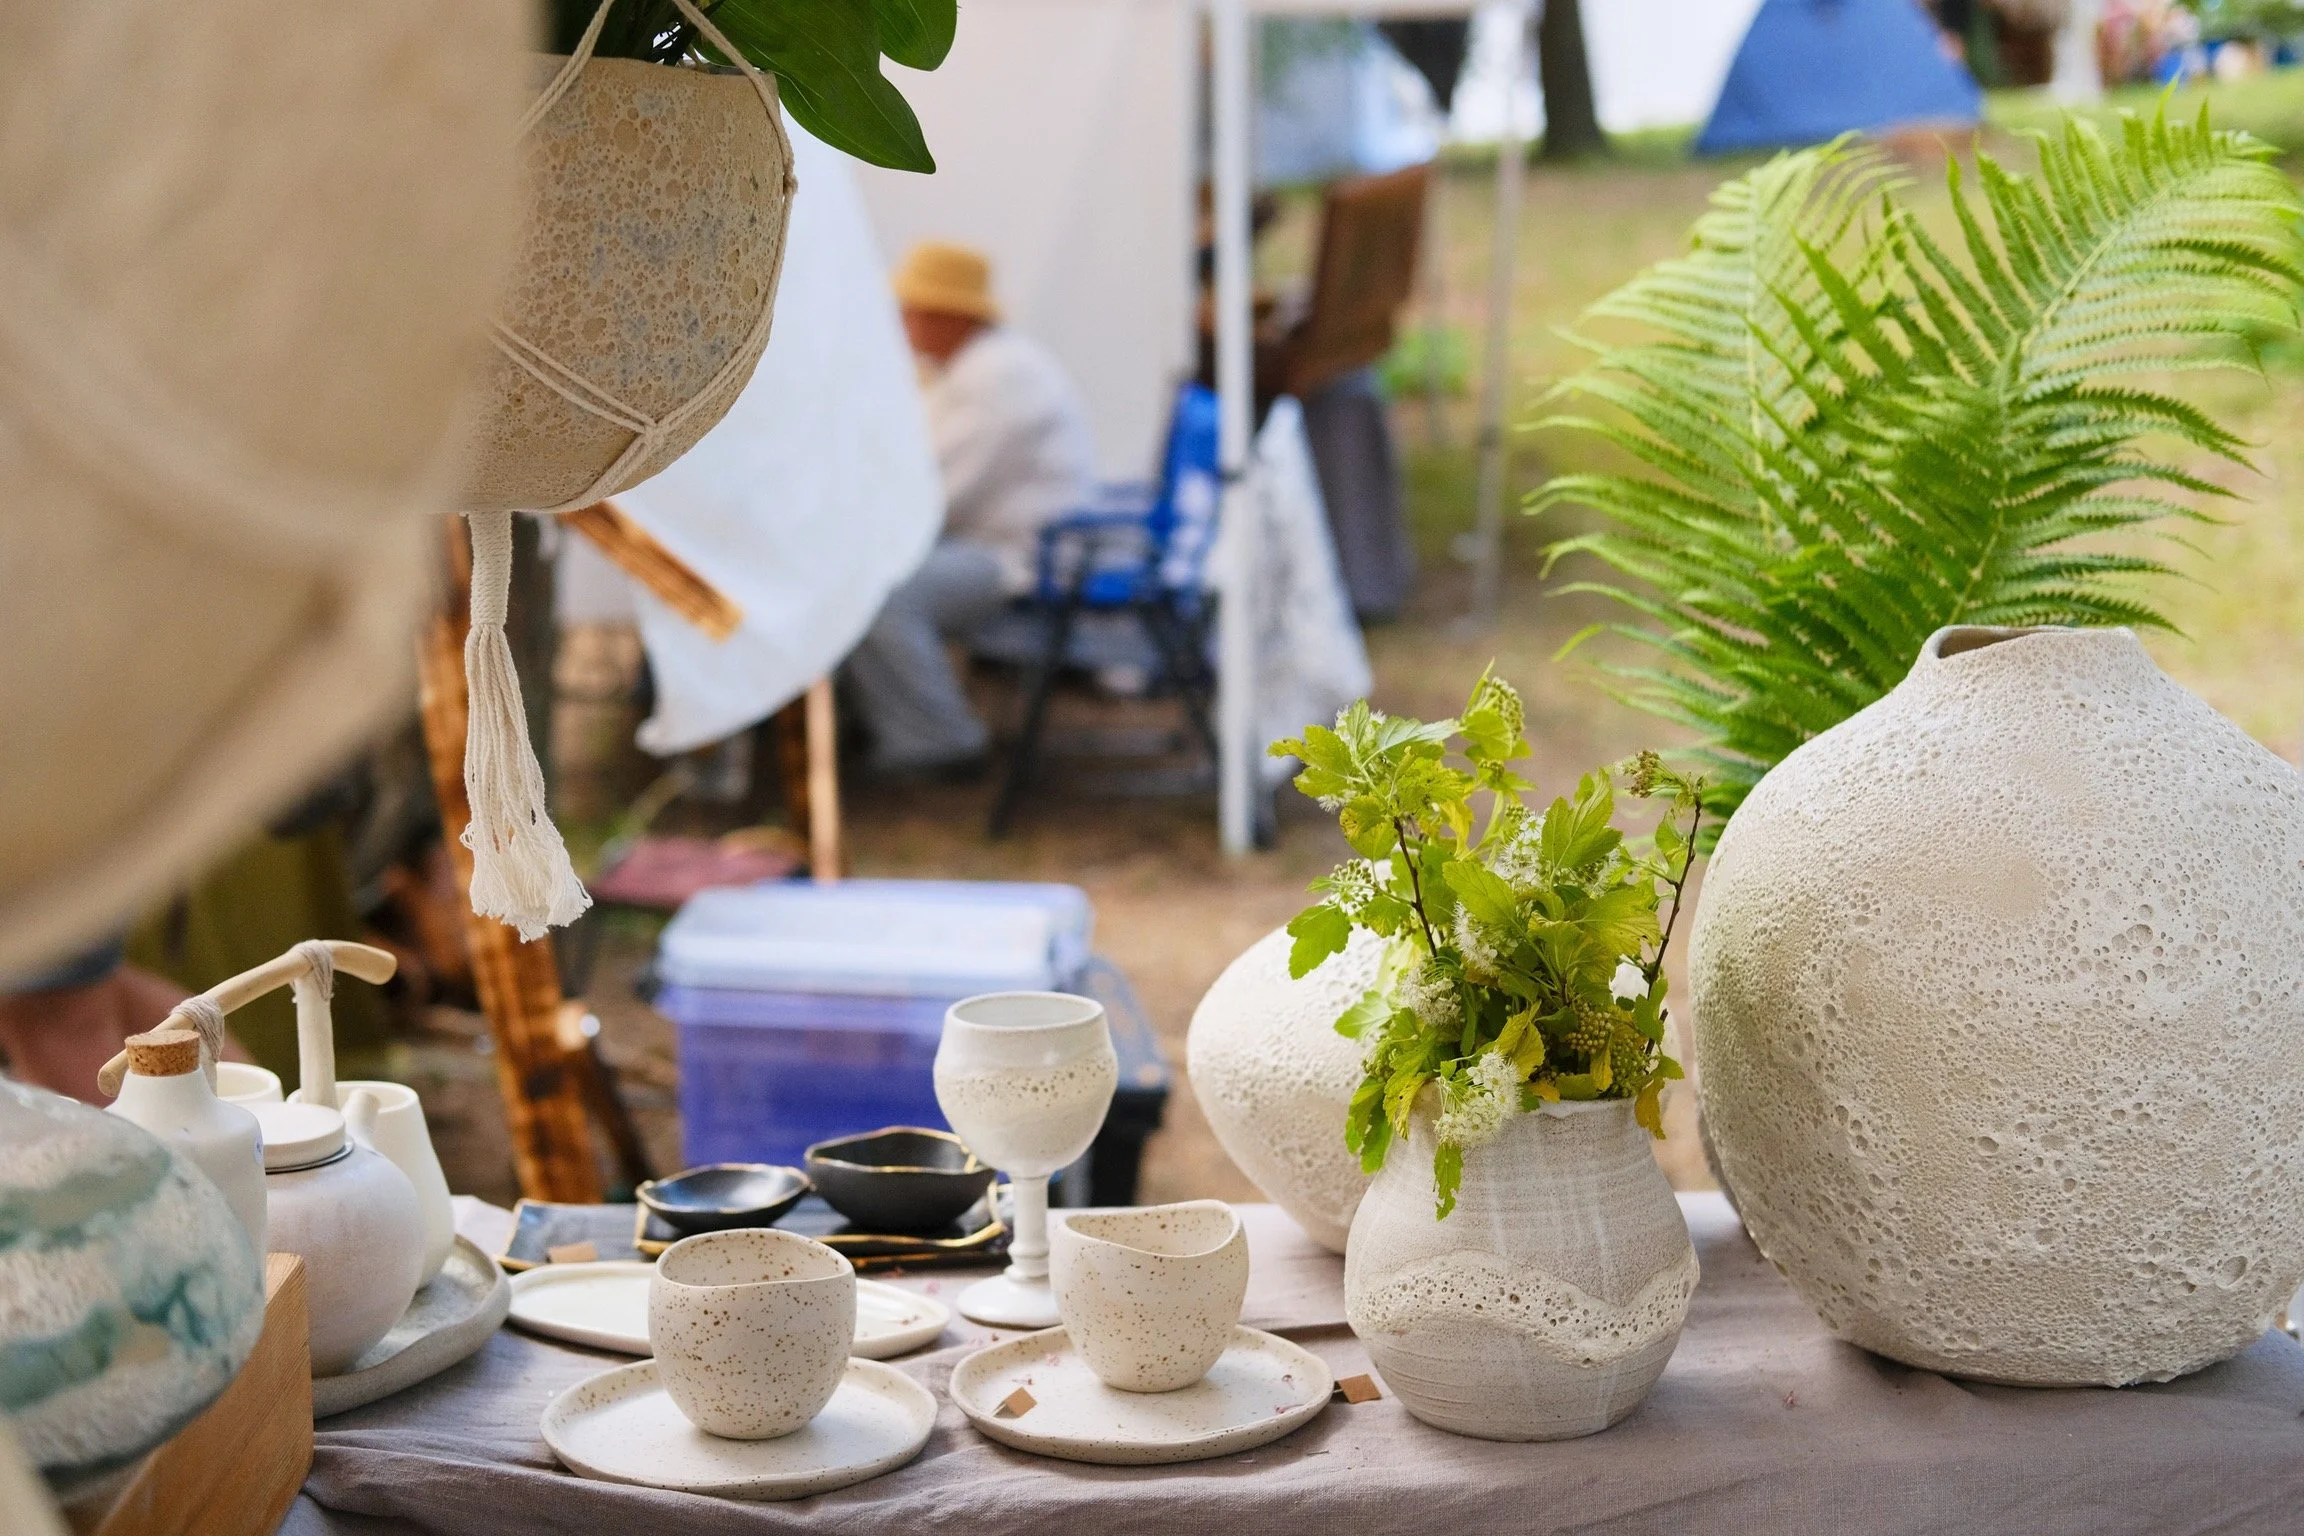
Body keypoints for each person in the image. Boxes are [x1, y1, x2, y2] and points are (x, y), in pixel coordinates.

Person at [844, 242, 1097, 777]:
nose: (902, 322)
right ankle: (881, 725)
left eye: (910, 310)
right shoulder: (975, 368)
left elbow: (932, 492)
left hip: (1024, 558)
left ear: (945, 314)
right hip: (1000, 543)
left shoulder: (997, 379)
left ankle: (940, 741)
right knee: (865, 577)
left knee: (882, 593)